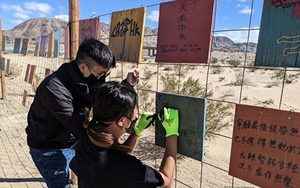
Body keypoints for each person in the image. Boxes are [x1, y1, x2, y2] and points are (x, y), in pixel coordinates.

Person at [26, 39, 139, 188]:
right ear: (84, 67)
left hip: (70, 139)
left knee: (90, 177)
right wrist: (119, 149)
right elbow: (82, 130)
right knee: (60, 184)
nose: (102, 77)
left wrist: (127, 84)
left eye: (106, 74)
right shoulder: (54, 89)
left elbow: (101, 95)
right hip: (47, 147)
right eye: (101, 74)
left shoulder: (87, 76)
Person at [70, 81, 179, 188]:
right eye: (134, 110)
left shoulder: (86, 140)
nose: (136, 113)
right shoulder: (127, 167)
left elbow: (116, 152)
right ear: (122, 120)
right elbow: (166, 181)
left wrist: (136, 132)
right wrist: (172, 134)